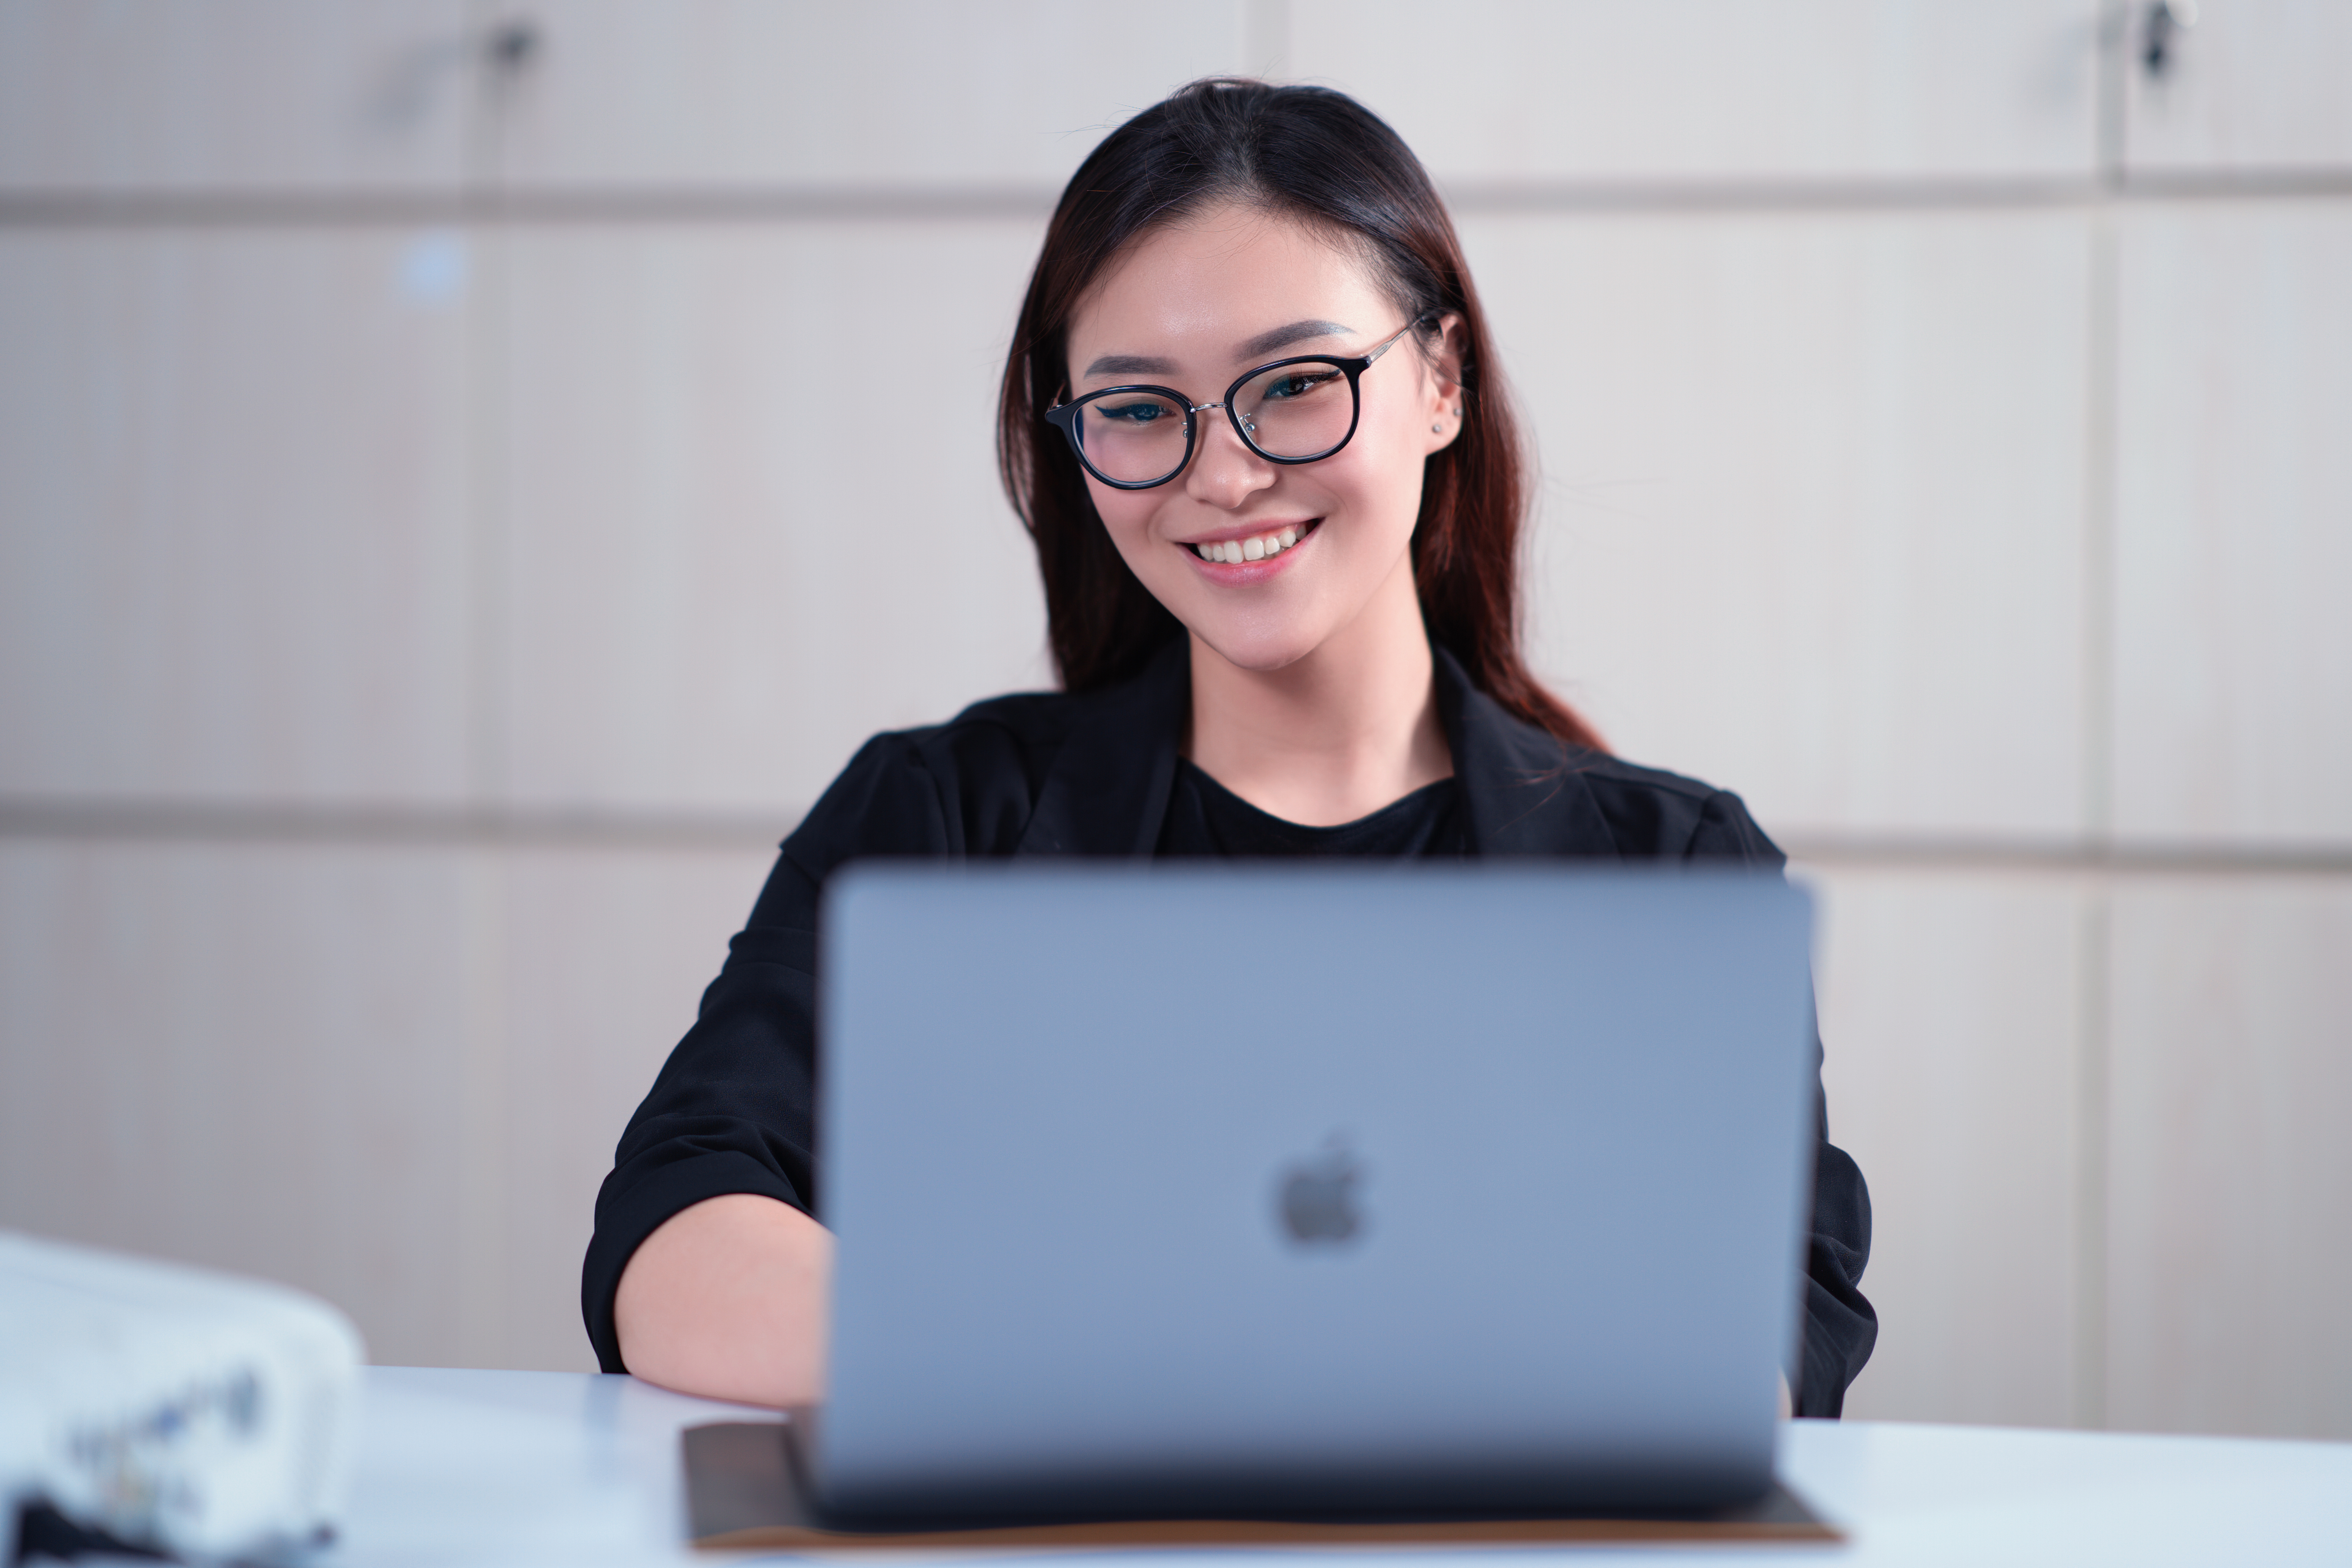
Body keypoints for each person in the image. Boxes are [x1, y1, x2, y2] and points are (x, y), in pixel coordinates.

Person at [583, 79, 1875, 1418]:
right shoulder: (934, 820)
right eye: (1140, 409)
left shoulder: (1668, 875)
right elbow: (677, 1234)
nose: (1223, 474)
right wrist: (1154, 1365)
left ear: (1442, 380)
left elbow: (1763, 1323)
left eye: (1299, 384)